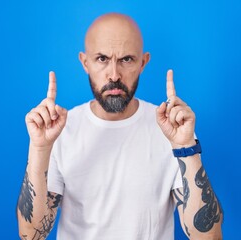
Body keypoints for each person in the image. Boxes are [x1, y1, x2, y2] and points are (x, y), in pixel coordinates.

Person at [17, 13, 223, 240]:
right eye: (102, 59)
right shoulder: (59, 130)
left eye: (126, 60)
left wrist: (186, 147)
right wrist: (39, 149)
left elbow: (209, 237)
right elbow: (30, 235)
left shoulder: (172, 131)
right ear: (85, 62)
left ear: (143, 63)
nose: (114, 74)